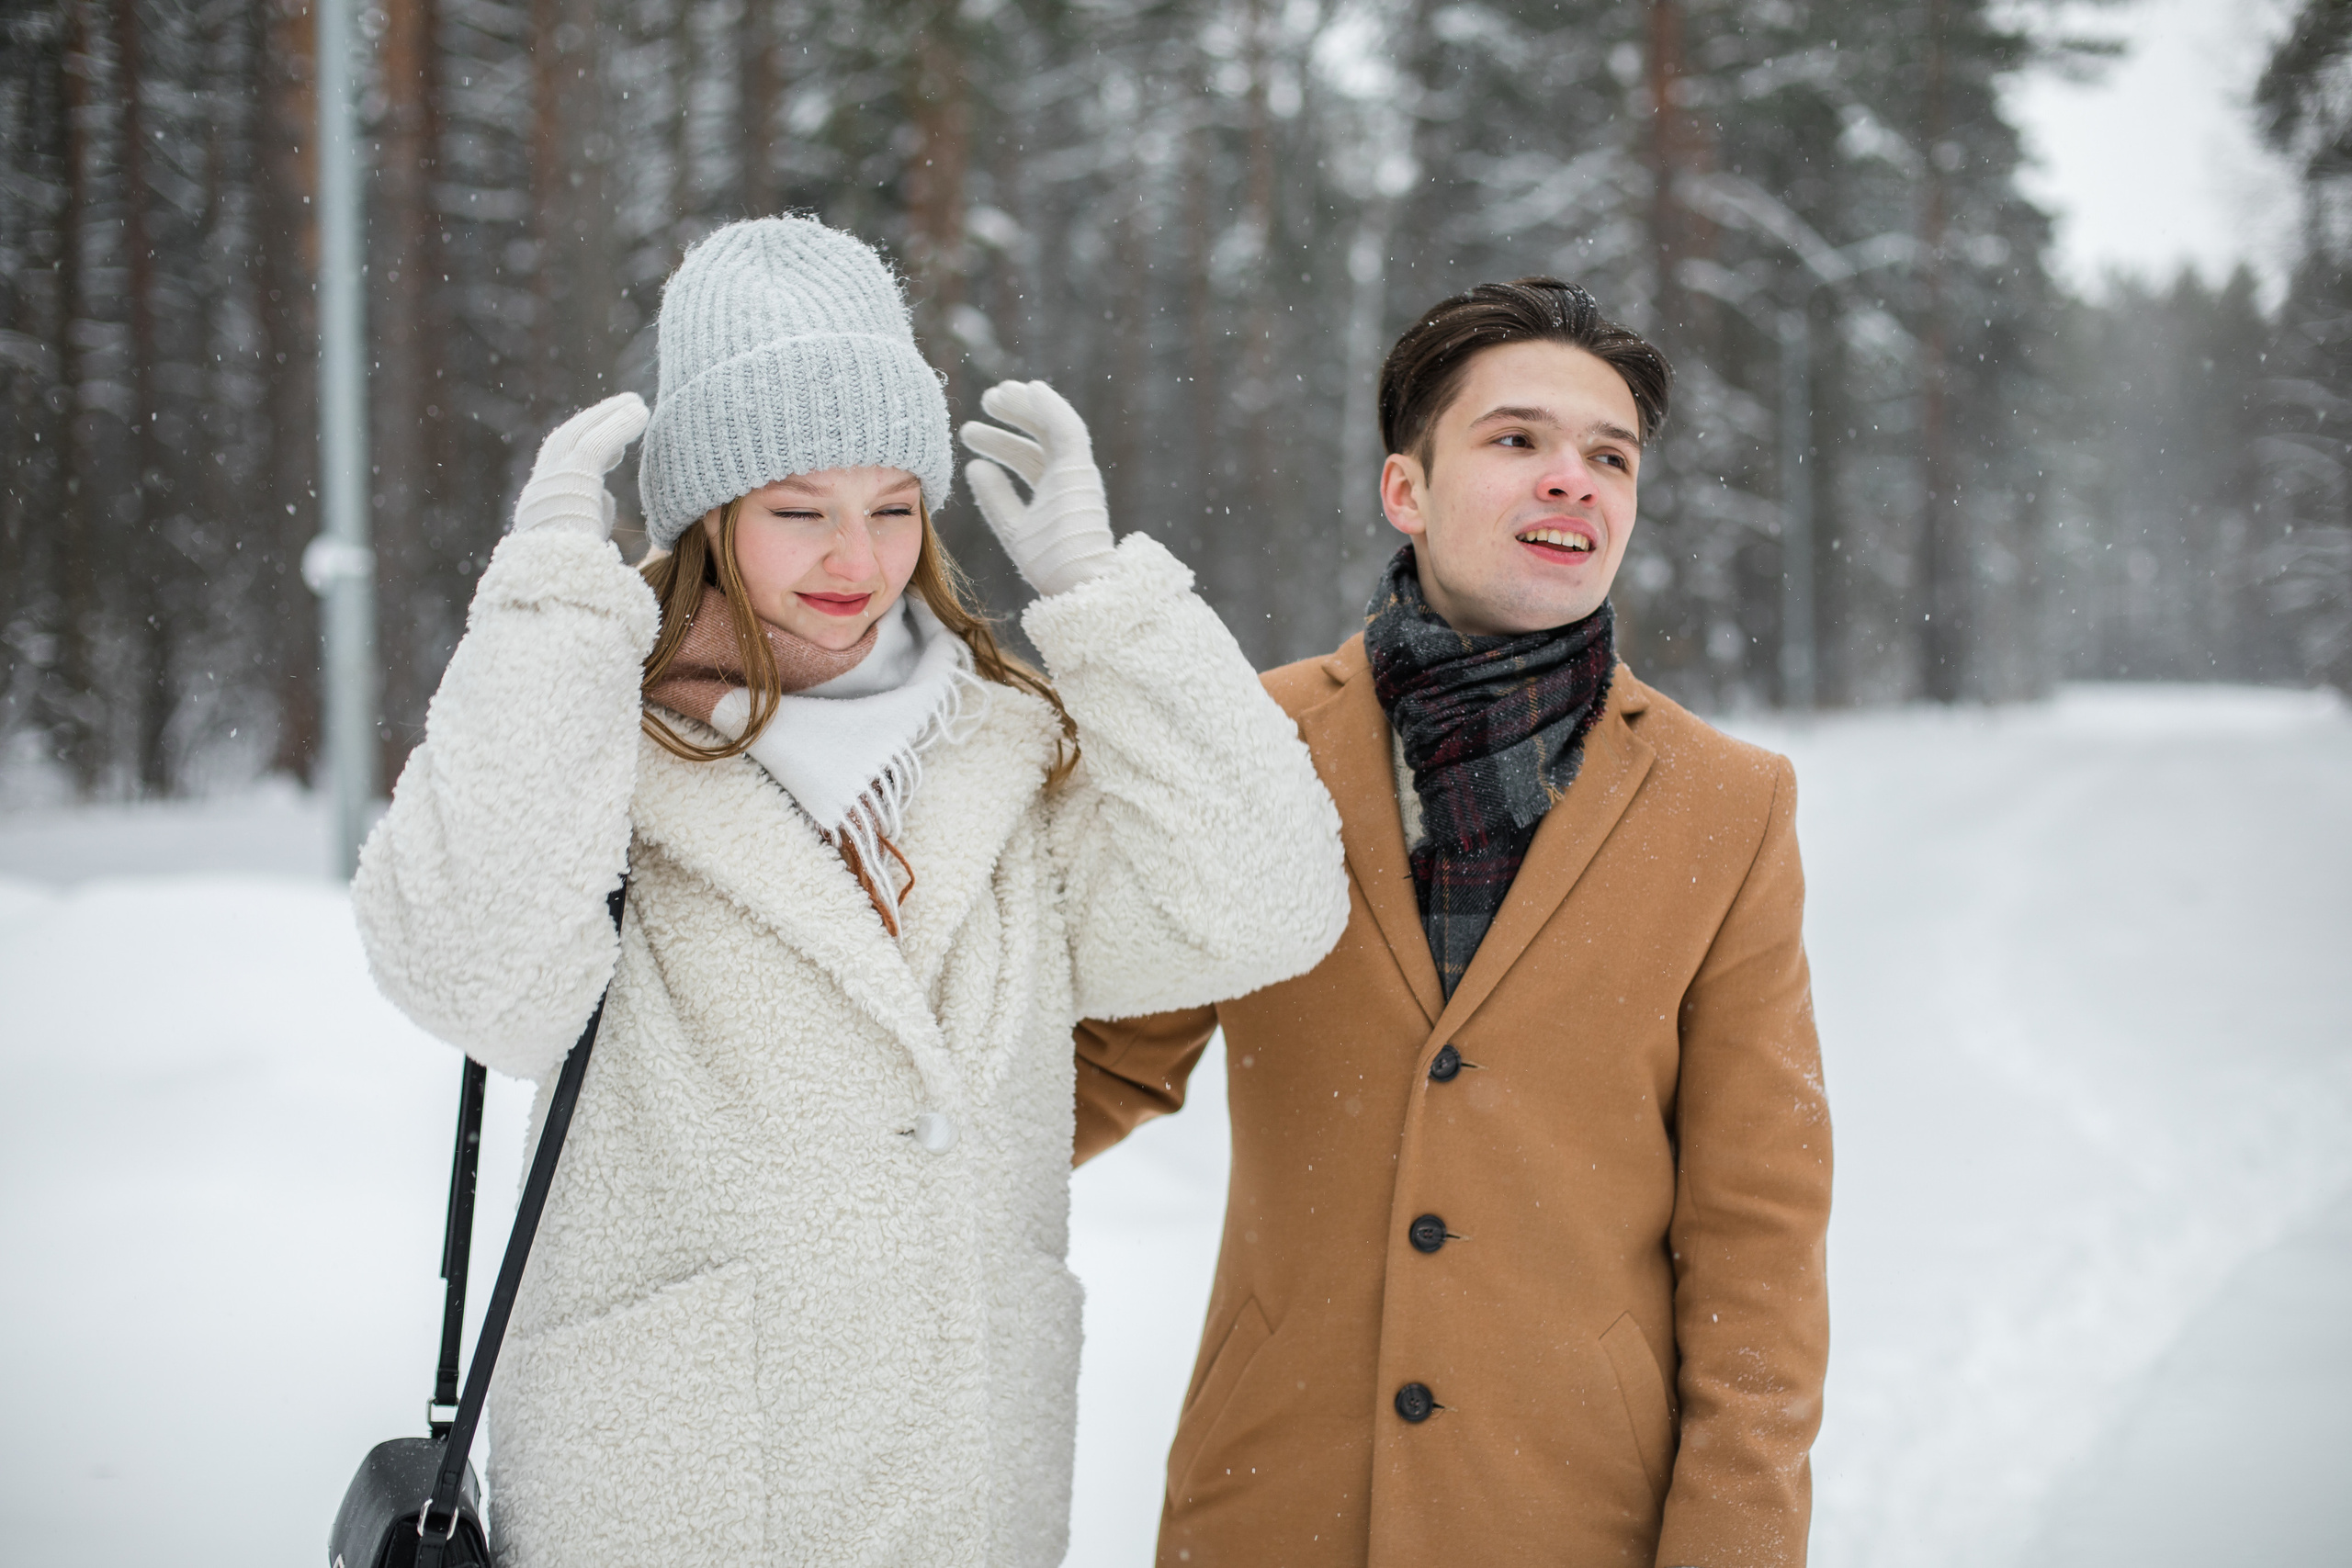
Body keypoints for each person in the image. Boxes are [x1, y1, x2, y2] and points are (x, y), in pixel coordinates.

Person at [352, 216, 1348, 1568]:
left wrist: (1107, 598)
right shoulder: (599, 739)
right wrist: (548, 614)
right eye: (798, 509)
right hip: (673, 1498)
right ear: (708, 511)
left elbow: (1266, 902)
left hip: (962, 1491)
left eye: (891, 506)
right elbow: (480, 986)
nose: (856, 561)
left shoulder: (1011, 748)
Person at [1074, 278, 1833, 1566]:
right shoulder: (1254, 741)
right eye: (1517, 440)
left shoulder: (1728, 805)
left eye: (1609, 457)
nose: (1573, 482)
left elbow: (1757, 1230)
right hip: (1274, 1502)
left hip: (1573, 1512)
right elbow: (1103, 1062)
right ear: (1405, 492)